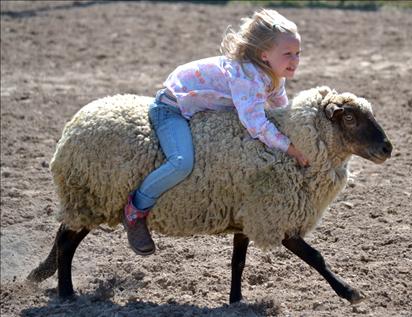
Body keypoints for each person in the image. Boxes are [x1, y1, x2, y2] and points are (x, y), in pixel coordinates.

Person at [122, 8, 310, 256]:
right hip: (172, 108)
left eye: (298, 53)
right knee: (181, 162)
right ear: (264, 55)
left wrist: (299, 136)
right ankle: (136, 210)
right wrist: (291, 148)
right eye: (287, 54)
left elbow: (281, 111)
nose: (295, 60)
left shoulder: (274, 75)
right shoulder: (248, 78)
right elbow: (255, 124)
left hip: (201, 110)